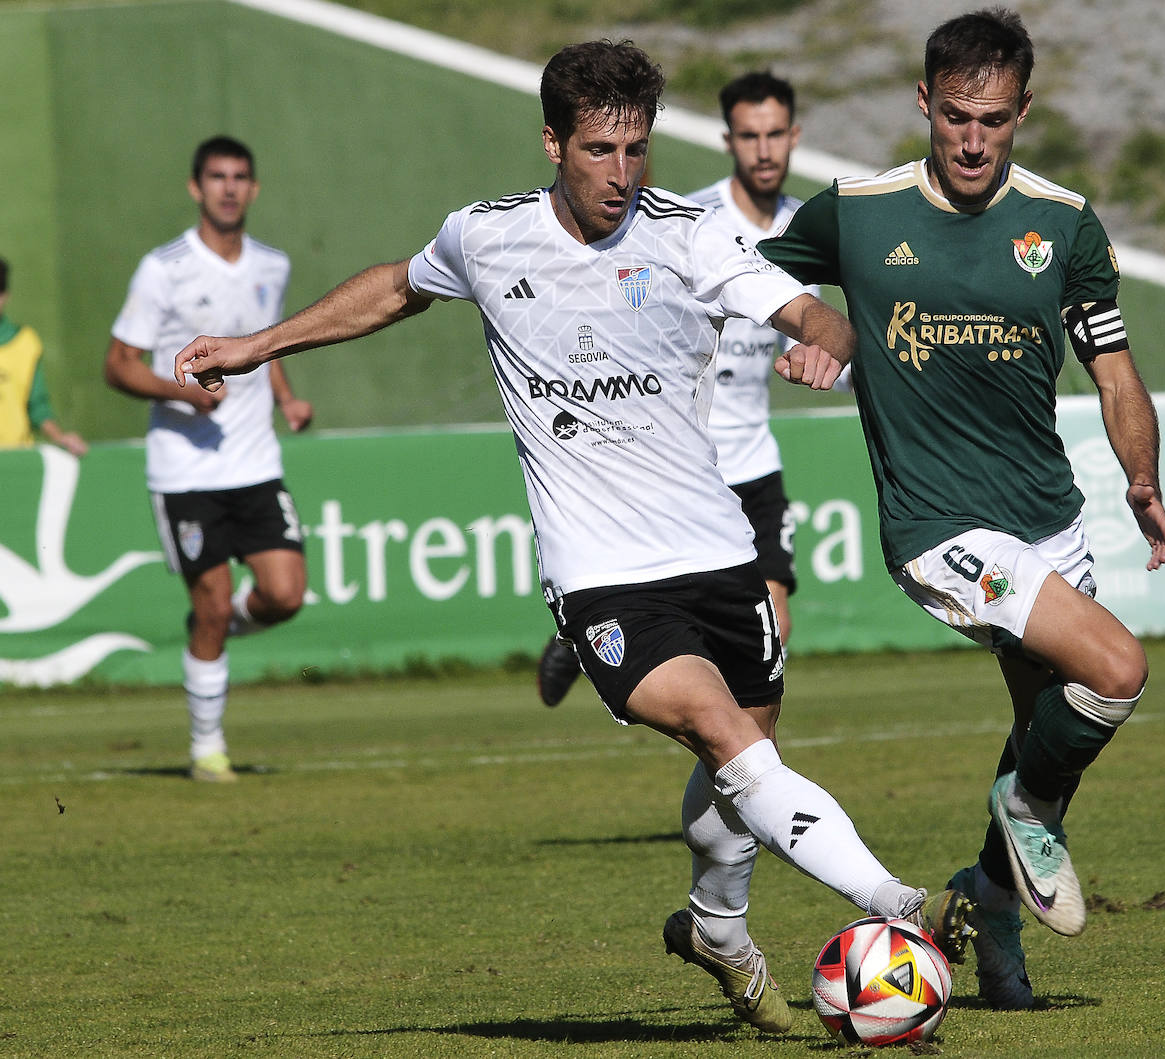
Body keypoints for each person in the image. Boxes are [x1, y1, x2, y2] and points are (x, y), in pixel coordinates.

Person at [170, 41, 972, 1033]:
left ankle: (719, 928)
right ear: (553, 142)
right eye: (599, 150)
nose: (622, 173)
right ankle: (901, 905)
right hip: (604, 577)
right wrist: (256, 347)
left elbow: (808, 310)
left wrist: (827, 342)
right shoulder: (487, 239)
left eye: (637, 149)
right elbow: (392, 288)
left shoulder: (689, 235)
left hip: (720, 550)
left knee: (747, 761)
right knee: (727, 739)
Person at [759, 7, 1165, 1010]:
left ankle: (989, 900)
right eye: (955, 118)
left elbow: (1113, 370)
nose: (974, 139)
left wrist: (1141, 479)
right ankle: (1026, 815)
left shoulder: (1065, 223)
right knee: (1117, 669)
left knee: (1050, 721)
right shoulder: (858, 212)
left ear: (1023, 109)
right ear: (923, 103)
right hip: (939, 526)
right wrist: (813, 335)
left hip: (1048, 516)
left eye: (994, 119)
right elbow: (746, 278)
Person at [535, 69, 813, 708]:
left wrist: (829, 359)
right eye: (750, 136)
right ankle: (590, 631)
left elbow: (815, 333)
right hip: (682, 463)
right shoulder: (694, 222)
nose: (764, 150)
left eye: (775, 135)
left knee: (773, 633)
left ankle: (729, 773)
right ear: (728, 141)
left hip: (755, 461)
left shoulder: (804, 234)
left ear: (794, 137)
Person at [104, 135, 314, 784]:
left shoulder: (271, 266)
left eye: (240, 177)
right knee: (216, 602)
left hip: (254, 461)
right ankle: (207, 748)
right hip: (185, 469)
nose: (229, 187)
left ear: (253, 189)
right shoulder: (163, 268)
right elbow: (118, 365)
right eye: (217, 177)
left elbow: (264, 344)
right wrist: (182, 393)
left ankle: (212, 630)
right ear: (196, 188)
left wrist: (285, 398)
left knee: (285, 593)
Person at [0, 257, 88, 456]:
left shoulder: (26, 342)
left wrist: (59, 437)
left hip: (13, 462)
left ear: (5, 296)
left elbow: (38, 406)